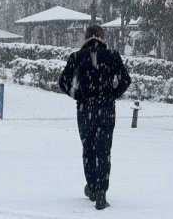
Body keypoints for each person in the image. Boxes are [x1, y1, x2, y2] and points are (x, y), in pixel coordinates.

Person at [58, 24, 131, 210]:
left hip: (84, 110)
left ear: (87, 37)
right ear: (101, 36)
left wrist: (78, 96)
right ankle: (101, 192)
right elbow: (126, 80)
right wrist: (112, 94)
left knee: (88, 150)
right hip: (106, 110)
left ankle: (91, 187)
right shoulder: (112, 56)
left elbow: (63, 82)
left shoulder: (76, 57)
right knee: (104, 151)